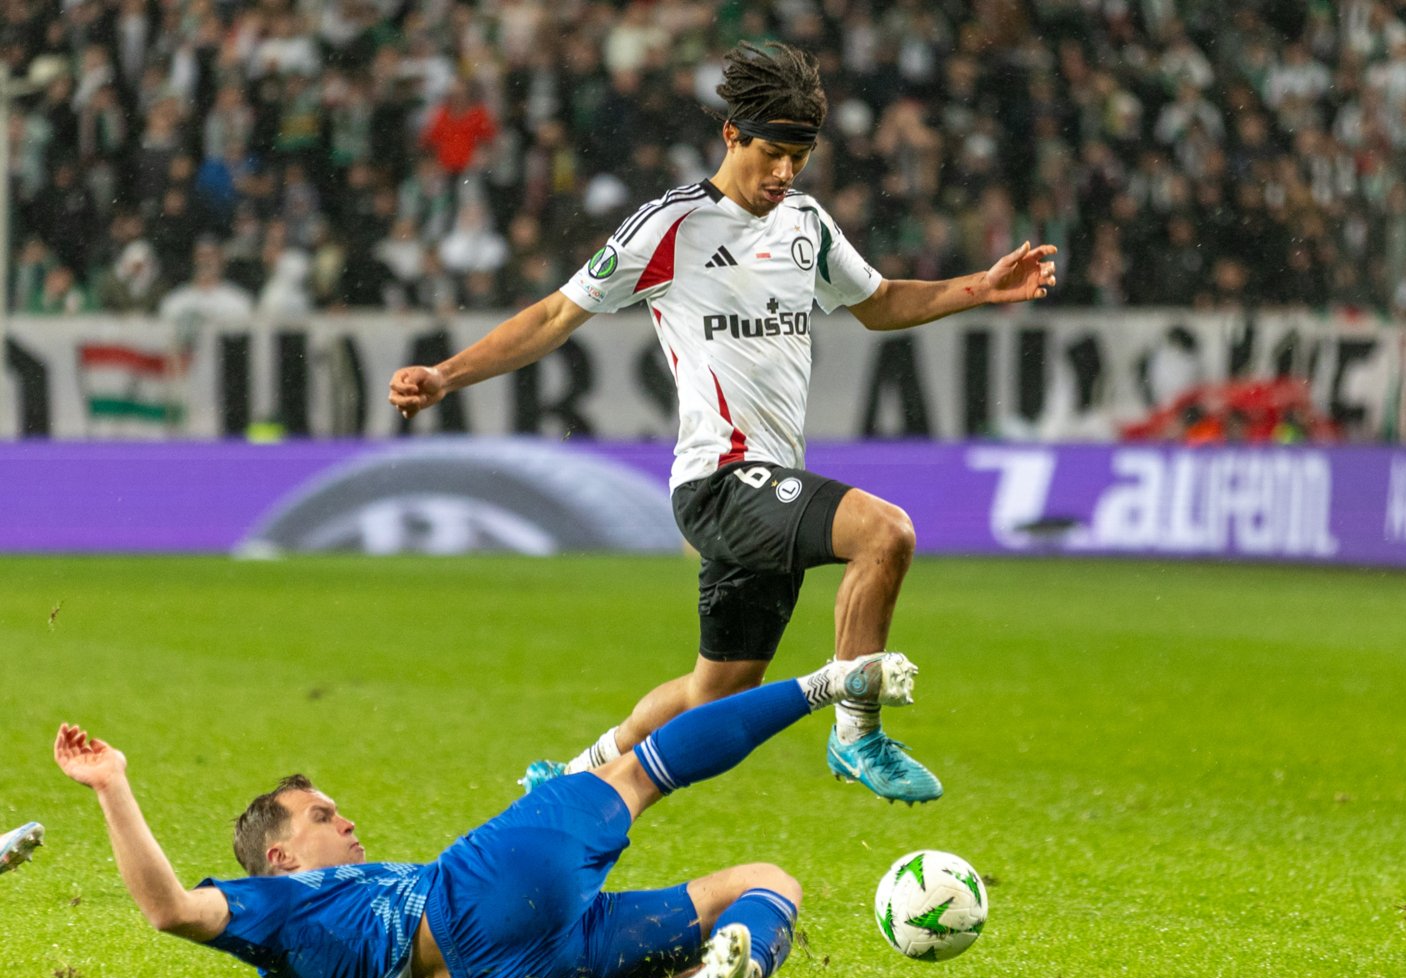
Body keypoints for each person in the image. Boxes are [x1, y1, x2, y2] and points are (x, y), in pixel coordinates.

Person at [387, 42, 1056, 805]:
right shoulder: (669, 226)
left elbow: (877, 304)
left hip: (768, 480)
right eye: (772, 153)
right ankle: (857, 733)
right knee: (885, 533)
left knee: (714, 693)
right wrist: (444, 374)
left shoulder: (807, 222)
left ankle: (575, 779)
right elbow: (552, 315)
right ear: (732, 136)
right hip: (718, 481)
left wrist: (980, 285)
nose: (784, 175)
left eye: (799, 158)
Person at [52, 652, 916, 978]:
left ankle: (729, 969)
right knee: (640, 768)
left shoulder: (306, 936)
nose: (345, 819)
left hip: (506, 973)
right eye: (322, 816)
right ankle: (828, 684)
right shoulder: (268, 902)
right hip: (470, 901)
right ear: (277, 855)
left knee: (767, 882)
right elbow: (167, 909)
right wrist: (112, 783)